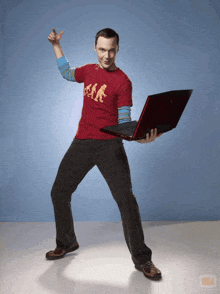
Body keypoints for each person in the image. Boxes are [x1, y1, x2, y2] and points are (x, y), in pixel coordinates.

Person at [46, 27, 162, 281]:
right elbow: (67, 73)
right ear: (95, 48)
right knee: (59, 191)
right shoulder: (88, 70)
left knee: (126, 201)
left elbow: (123, 121)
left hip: (110, 146)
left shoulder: (123, 81)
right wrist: (56, 45)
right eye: (102, 49)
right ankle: (67, 241)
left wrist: (139, 138)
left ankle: (143, 259)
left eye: (111, 50)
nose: (106, 55)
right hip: (82, 142)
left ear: (117, 49)